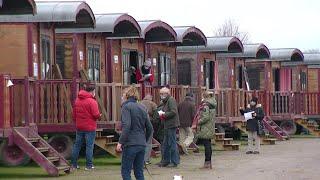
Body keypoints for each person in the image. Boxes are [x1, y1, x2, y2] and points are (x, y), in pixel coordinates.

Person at [116, 86, 153, 180]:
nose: (122, 96)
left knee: (126, 171)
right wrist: (144, 139)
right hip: (141, 143)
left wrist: (120, 142)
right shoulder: (142, 107)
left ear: (127, 95)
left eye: (123, 94)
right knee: (139, 172)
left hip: (130, 144)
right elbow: (150, 128)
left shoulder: (126, 107)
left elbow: (127, 126)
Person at [71, 84, 101, 170]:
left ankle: (73, 165)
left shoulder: (77, 100)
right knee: (89, 146)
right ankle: (89, 165)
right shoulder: (92, 101)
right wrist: (99, 116)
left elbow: (74, 115)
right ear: (92, 92)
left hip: (79, 126)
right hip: (90, 127)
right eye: (95, 92)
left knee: (77, 145)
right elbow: (96, 115)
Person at [192, 91, 216, 169]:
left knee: (207, 145)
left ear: (204, 97)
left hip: (205, 127)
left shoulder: (205, 106)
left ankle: (207, 163)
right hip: (210, 126)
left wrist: (197, 122)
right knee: (208, 145)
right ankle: (209, 163)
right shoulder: (212, 104)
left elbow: (205, 117)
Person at [157, 87, 180, 168]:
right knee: (166, 143)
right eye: (160, 94)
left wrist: (164, 115)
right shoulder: (166, 101)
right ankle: (165, 161)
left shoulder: (171, 100)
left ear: (166, 94)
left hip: (171, 125)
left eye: (162, 94)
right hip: (167, 125)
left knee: (172, 143)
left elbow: (173, 111)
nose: (160, 95)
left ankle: (174, 161)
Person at [140, 94, 157, 165]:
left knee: (141, 142)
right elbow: (156, 114)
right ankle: (146, 159)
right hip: (149, 124)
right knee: (148, 143)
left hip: (140, 125)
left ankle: (140, 159)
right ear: (150, 98)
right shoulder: (153, 104)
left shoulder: (139, 103)